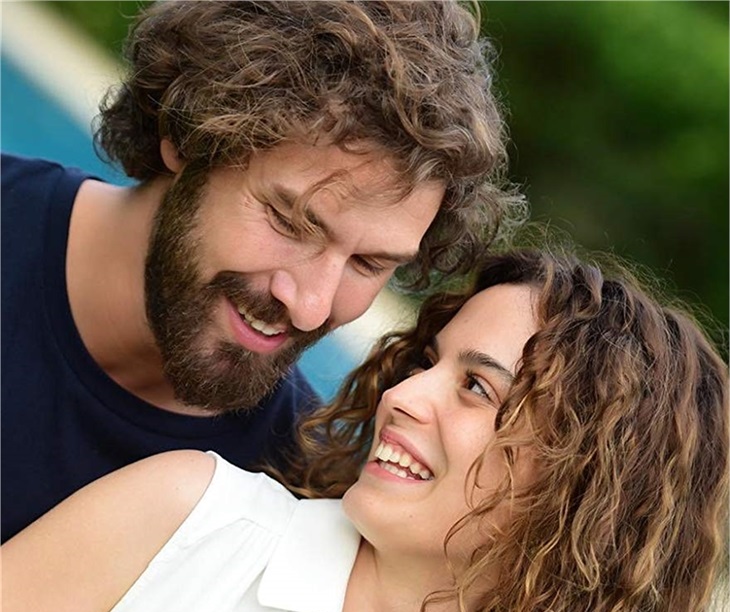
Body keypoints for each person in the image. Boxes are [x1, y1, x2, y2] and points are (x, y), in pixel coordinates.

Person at [3, 248, 727, 612]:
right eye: (428, 363)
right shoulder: (186, 520)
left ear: (584, 488)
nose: (402, 396)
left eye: (477, 388)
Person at [1, 0, 515, 542]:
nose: (311, 306)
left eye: (368, 263)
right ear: (186, 135)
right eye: (290, 222)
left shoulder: (292, 495)